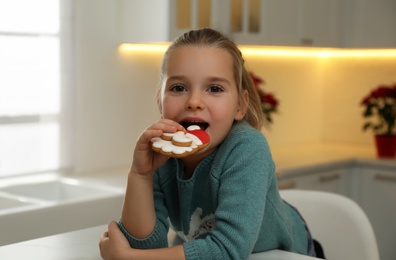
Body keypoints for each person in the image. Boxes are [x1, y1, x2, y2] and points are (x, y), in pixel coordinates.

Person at [99, 28, 316, 260]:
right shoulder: (162, 151)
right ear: (160, 101)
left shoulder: (247, 147)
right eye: (178, 88)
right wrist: (140, 175)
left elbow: (228, 250)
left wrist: (127, 258)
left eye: (214, 89)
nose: (194, 101)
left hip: (288, 253)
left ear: (241, 106)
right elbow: (143, 245)